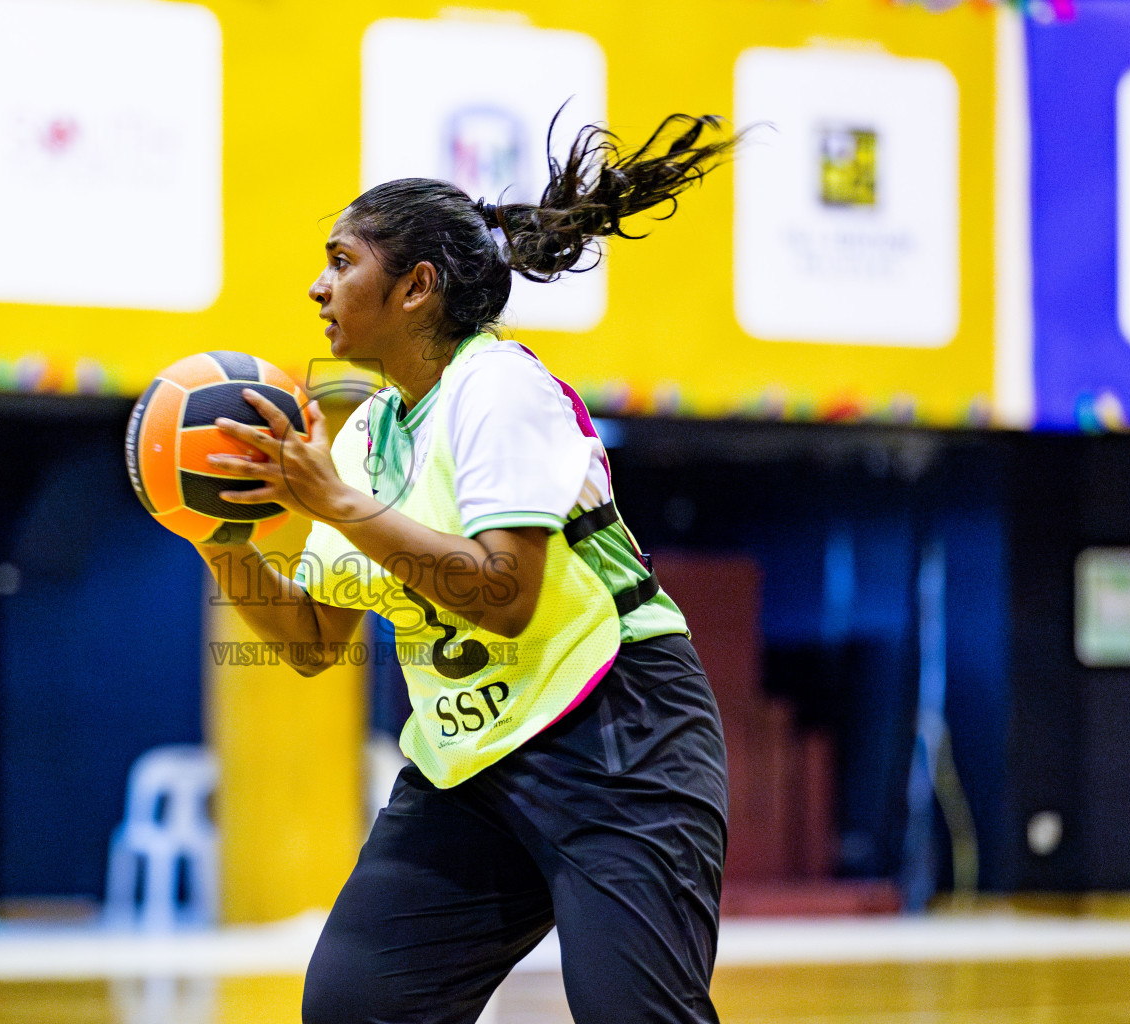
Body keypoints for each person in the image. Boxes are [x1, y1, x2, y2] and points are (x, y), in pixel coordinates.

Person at [194, 113, 739, 1024]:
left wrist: (334, 506)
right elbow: (314, 641)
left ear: (415, 287)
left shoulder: (499, 388)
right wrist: (217, 532)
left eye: (340, 261)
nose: (317, 285)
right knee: (354, 1005)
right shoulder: (368, 431)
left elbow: (506, 595)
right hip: (471, 767)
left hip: (616, 732)